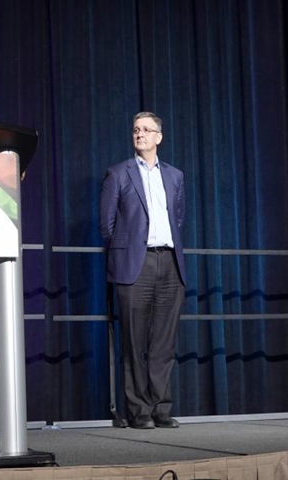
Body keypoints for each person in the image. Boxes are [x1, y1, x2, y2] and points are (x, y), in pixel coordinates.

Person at [99, 111, 187, 429]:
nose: (140, 134)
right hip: (134, 265)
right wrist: (129, 250)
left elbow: (177, 219)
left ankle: (161, 407)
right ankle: (139, 411)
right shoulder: (118, 173)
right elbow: (106, 225)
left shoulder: (175, 176)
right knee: (134, 343)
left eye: (146, 130)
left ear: (158, 138)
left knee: (164, 342)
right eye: (136, 129)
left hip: (170, 264)